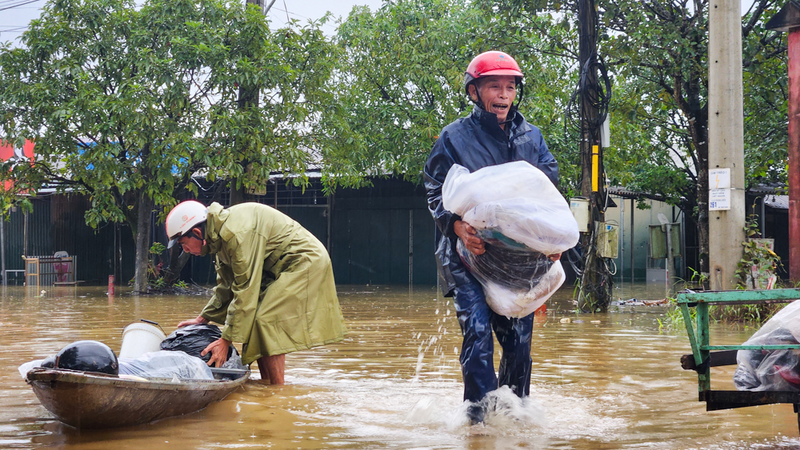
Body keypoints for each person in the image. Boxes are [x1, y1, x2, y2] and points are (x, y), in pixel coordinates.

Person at [423, 50, 561, 424]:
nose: (503, 94)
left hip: (518, 257)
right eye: (494, 86)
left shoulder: (533, 137)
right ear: (474, 92)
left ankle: (516, 417)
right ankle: (477, 422)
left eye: (510, 87)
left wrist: (554, 245)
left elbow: (551, 193)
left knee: (518, 344)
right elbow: (435, 189)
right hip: (467, 253)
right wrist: (455, 226)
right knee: (479, 335)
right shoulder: (453, 137)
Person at [167, 200, 346, 385]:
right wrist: (203, 318)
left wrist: (225, 341)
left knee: (266, 320)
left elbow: (245, 290)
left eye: (183, 244)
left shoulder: (236, 234)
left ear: (197, 233)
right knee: (252, 322)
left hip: (304, 262)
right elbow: (226, 286)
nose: (185, 250)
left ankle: (277, 392)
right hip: (276, 269)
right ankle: (265, 385)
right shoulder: (219, 238)